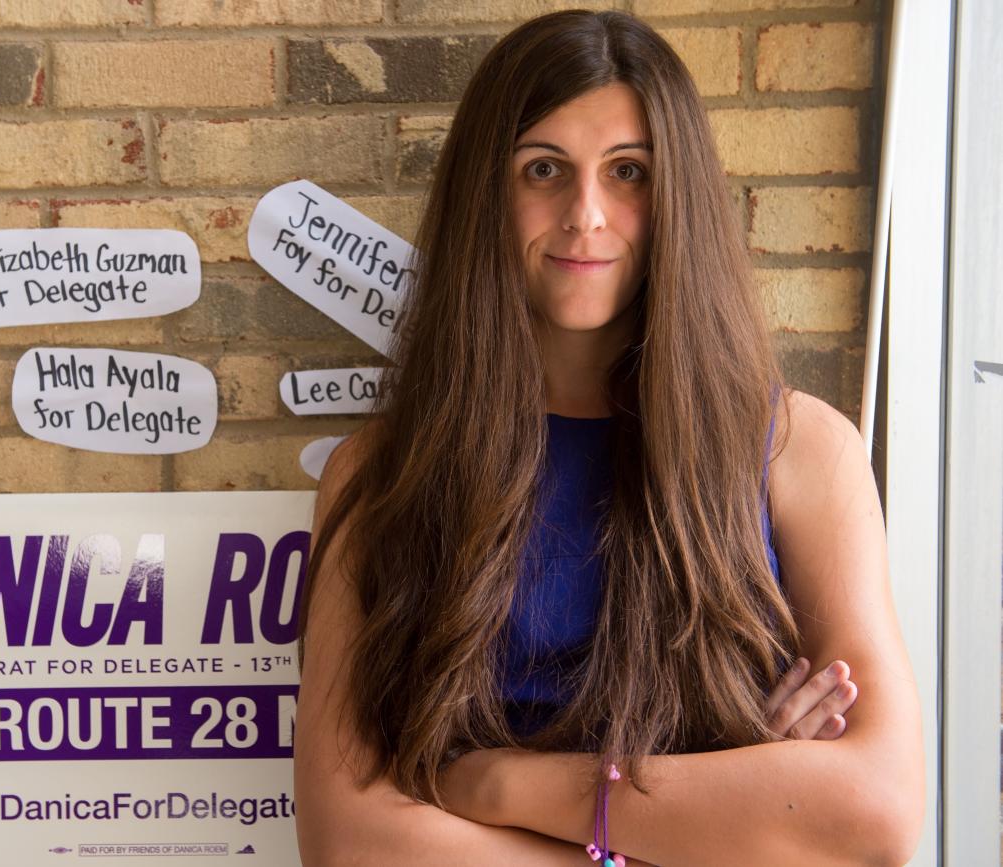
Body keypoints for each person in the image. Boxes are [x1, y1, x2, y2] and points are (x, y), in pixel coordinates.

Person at [292, 10, 924, 866]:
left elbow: (877, 814)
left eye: (628, 172)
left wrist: (496, 783)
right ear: (488, 193)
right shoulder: (380, 475)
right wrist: (718, 822)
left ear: (678, 198)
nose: (586, 214)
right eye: (543, 169)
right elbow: (348, 840)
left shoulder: (804, 453)